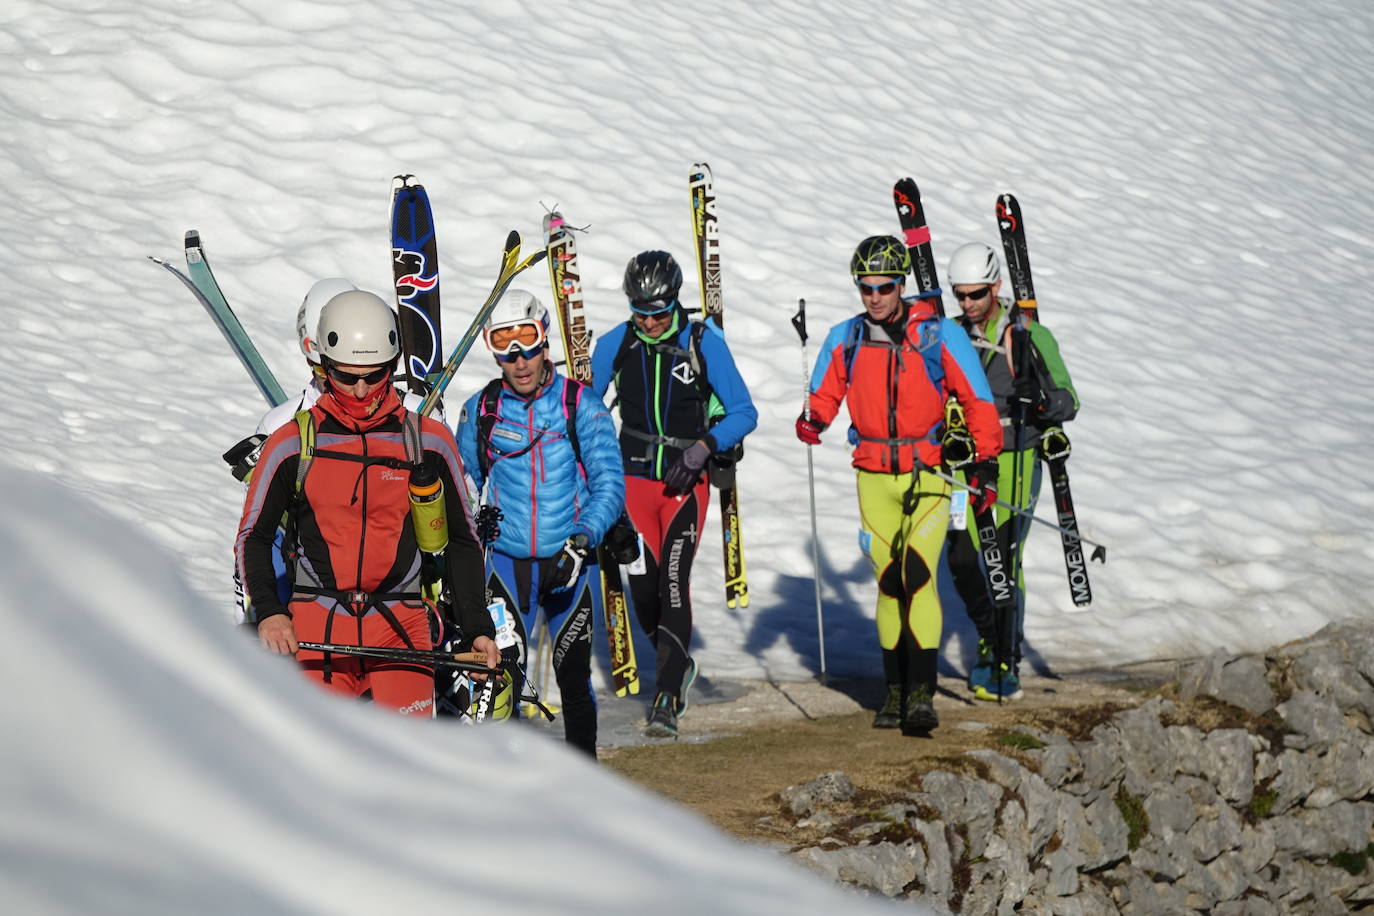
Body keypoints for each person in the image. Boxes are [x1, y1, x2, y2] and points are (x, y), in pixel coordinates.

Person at [235, 290, 497, 715]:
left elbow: (464, 541)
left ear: (392, 368)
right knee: (321, 768)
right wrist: (269, 611)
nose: (360, 391)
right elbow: (253, 536)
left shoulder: (428, 442)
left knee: (410, 769)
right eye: (345, 376)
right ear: (323, 368)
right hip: (318, 625)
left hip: (402, 626)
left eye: (374, 377)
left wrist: (477, 628)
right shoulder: (290, 444)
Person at [795, 236, 1002, 735]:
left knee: (918, 576)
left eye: (884, 287)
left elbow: (978, 400)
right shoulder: (845, 337)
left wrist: (986, 463)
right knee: (889, 583)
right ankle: (893, 692)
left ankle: (921, 695)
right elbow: (824, 389)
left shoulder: (938, 336)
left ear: (901, 284)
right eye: (865, 288)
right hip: (873, 475)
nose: (874, 297)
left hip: (929, 474)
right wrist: (813, 419)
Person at [591, 251, 757, 739]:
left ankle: (665, 696)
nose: (649, 321)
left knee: (672, 584)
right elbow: (585, 409)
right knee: (644, 593)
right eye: (639, 311)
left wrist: (704, 448)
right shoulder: (616, 343)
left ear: (676, 303)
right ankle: (678, 664)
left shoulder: (704, 342)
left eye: (659, 312)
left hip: (685, 484)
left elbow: (744, 412)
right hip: (632, 484)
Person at [455, 290, 624, 756]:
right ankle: (502, 791)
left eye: (528, 342)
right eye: (505, 346)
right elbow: (463, 480)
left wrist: (582, 538)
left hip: (570, 566)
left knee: (573, 680)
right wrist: (472, 514)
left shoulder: (581, 405)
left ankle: (583, 787)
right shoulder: (481, 410)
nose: (520, 359)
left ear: (544, 341)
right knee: (498, 678)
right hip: (508, 566)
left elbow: (610, 483)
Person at [224, 278, 441, 624]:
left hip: (404, 593)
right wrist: (259, 617)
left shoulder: (418, 416)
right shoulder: (282, 425)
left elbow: (457, 511)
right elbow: (258, 536)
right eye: (333, 370)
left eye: (369, 372)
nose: (356, 389)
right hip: (313, 592)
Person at [944, 242, 1079, 701]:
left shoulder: (1028, 335)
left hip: (1017, 457)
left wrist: (1039, 402)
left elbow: (1069, 398)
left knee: (1003, 557)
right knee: (962, 560)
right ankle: (990, 633)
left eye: (975, 295)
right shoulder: (950, 334)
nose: (967, 304)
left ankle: (1006, 658)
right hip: (968, 464)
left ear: (996, 287)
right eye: (959, 295)